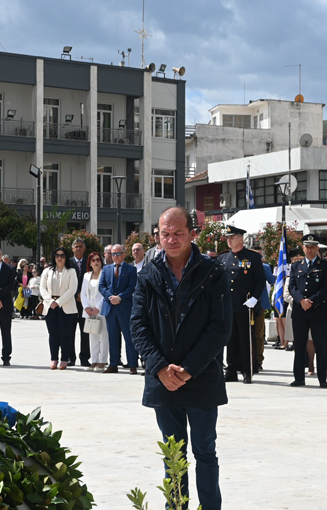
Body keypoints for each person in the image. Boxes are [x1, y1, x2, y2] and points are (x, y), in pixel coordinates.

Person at [131, 206, 231, 510]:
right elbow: (138, 325)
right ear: (157, 236)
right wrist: (160, 367)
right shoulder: (147, 274)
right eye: (165, 234)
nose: (171, 239)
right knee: (173, 456)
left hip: (201, 379)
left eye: (178, 233)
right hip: (164, 382)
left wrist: (188, 369)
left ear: (192, 234)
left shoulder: (213, 273)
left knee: (205, 453)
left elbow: (220, 328)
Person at [216, 225, 265, 384]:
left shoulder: (252, 257)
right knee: (230, 339)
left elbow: (260, 280)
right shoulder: (223, 258)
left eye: (232, 237)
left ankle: (247, 370)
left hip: (246, 305)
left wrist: (255, 298)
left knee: (245, 339)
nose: (229, 240)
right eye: (227, 238)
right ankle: (231, 370)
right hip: (228, 306)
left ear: (240, 239)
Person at [288, 234, 327, 388]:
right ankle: (299, 378)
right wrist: (301, 300)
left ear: (317, 248)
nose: (310, 250)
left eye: (313, 247)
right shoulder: (296, 266)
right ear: (303, 248)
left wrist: (311, 301)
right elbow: (292, 287)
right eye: (307, 247)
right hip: (300, 311)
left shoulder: (325, 266)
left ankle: (322, 379)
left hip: (318, 311)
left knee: (320, 346)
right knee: (299, 346)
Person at [99, 244, 139, 374]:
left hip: (125, 307)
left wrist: (120, 297)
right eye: (112, 254)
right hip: (110, 307)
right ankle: (113, 364)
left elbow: (132, 287)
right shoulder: (106, 269)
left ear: (124, 254)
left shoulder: (131, 269)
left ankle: (132, 364)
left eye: (117, 254)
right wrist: (110, 297)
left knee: (129, 336)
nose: (114, 256)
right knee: (113, 337)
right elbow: (101, 286)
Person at [39, 247, 79, 369]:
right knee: (53, 334)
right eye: (57, 255)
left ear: (66, 257)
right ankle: (54, 359)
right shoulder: (47, 271)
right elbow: (42, 288)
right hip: (50, 306)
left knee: (65, 334)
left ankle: (65, 359)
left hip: (66, 306)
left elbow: (72, 289)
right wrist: (51, 301)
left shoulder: (71, 271)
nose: (59, 258)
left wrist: (59, 302)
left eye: (62, 255)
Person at [81, 252, 109, 371]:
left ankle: (102, 361)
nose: (96, 262)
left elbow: (106, 292)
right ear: (90, 263)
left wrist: (98, 307)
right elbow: (83, 293)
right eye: (93, 260)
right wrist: (86, 307)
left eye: (98, 259)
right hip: (89, 311)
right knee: (93, 336)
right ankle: (94, 361)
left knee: (103, 336)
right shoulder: (86, 275)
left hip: (101, 309)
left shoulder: (105, 274)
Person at [252, 245, 274, 371]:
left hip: (259, 304)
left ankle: (259, 359)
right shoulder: (245, 265)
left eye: (260, 255)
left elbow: (272, 280)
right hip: (246, 303)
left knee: (258, 334)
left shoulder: (264, 267)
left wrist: (262, 268)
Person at [70, 237, 90, 366]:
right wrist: (75, 293)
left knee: (85, 331)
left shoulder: (89, 263)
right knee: (70, 331)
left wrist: (82, 295)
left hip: (85, 302)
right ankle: (70, 357)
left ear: (84, 248)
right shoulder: (68, 262)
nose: (78, 248)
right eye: (76, 246)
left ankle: (85, 358)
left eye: (80, 246)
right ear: (72, 249)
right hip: (71, 301)